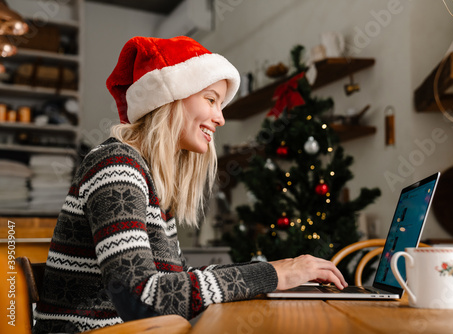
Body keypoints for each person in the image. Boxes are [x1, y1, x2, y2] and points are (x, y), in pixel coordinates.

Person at [33, 36, 347, 334]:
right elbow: (141, 297)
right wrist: (277, 274)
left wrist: (279, 269)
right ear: (168, 100)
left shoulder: (146, 175)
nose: (220, 118)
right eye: (211, 100)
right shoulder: (116, 165)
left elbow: (176, 282)